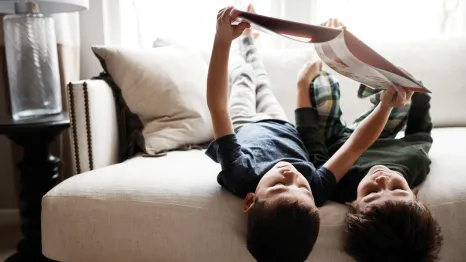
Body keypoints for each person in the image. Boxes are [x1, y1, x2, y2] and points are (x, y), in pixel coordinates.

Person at [205, 7, 411, 261]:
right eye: (301, 188)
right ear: (313, 201)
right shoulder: (317, 187)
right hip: (279, 122)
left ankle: (242, 45)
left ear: (250, 200)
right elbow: (355, 146)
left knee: (244, 78)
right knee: (262, 78)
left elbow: (217, 106)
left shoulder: (239, 173)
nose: (292, 175)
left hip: (243, 122)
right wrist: (384, 107)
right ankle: (250, 44)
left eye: (280, 185)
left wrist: (222, 40)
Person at [303, 17, 444, 262]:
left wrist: (302, 87)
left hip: (335, 140)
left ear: (353, 204)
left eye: (370, 192)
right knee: (403, 92)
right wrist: (415, 91)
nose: (382, 179)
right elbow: (420, 132)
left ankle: (328, 61)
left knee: (324, 93)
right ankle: (372, 84)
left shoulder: (339, 186)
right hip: (379, 132)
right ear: (415, 193)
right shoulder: (415, 163)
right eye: (398, 188)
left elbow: (313, 146)